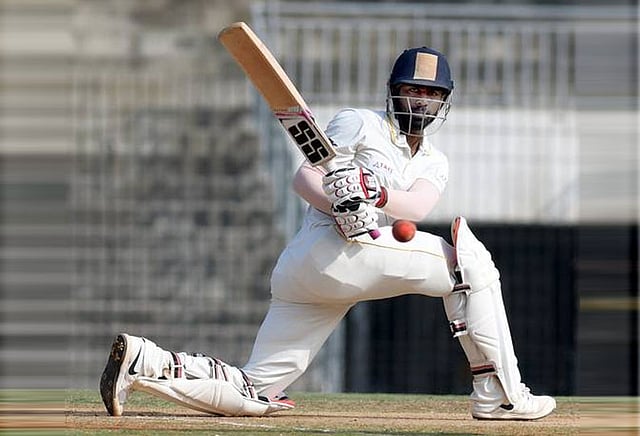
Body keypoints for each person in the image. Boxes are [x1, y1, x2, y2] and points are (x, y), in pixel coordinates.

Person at [100, 46, 556, 420]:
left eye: (430, 93)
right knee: (469, 263)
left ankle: (145, 361)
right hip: (330, 248)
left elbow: (416, 207)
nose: (420, 101)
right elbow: (306, 178)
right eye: (411, 90)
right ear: (393, 92)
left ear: (443, 102)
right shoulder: (360, 122)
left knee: (256, 389)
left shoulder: (436, 161)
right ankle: (501, 395)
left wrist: (374, 195)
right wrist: (337, 202)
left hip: (328, 270)